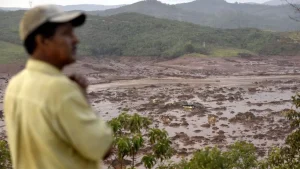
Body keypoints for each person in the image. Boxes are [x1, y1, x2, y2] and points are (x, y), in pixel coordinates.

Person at [3, 5, 113, 169]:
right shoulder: (60, 89)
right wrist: (84, 100)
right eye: (66, 34)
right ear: (42, 40)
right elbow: (102, 148)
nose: (76, 40)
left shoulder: (15, 84)